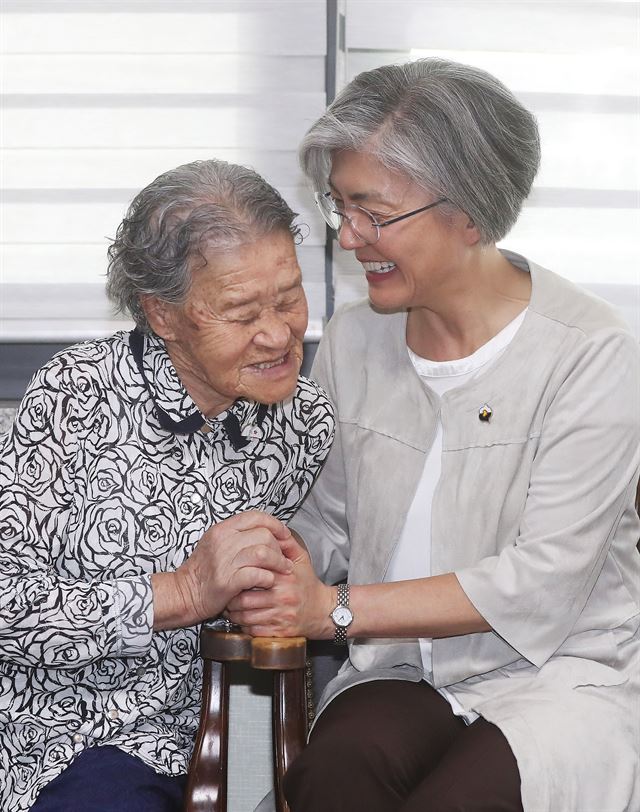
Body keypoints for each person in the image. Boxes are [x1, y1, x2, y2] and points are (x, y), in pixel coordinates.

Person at [227, 59, 640, 812]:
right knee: (333, 777)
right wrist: (263, 569)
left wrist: (335, 611)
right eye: (340, 207)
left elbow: (543, 580)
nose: (350, 238)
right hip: (402, 670)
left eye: (375, 213)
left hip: (556, 675)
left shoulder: (591, 353)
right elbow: (325, 522)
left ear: (473, 211)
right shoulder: (355, 340)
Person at [0, 158, 335, 812]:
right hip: (84, 736)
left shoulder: (307, 422)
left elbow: (334, 584)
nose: (279, 334)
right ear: (164, 315)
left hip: (242, 731)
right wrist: (182, 591)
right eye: (242, 313)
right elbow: (8, 608)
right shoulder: (75, 400)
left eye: (290, 297)